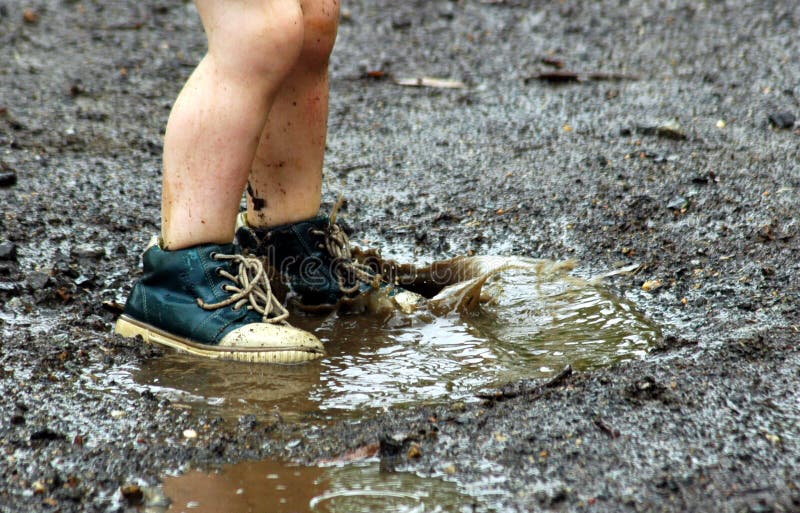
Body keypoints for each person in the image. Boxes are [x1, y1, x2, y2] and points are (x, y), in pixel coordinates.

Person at [115, 0, 410, 363]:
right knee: (258, 28)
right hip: (181, 286)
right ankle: (179, 285)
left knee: (313, 19)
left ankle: (283, 248)